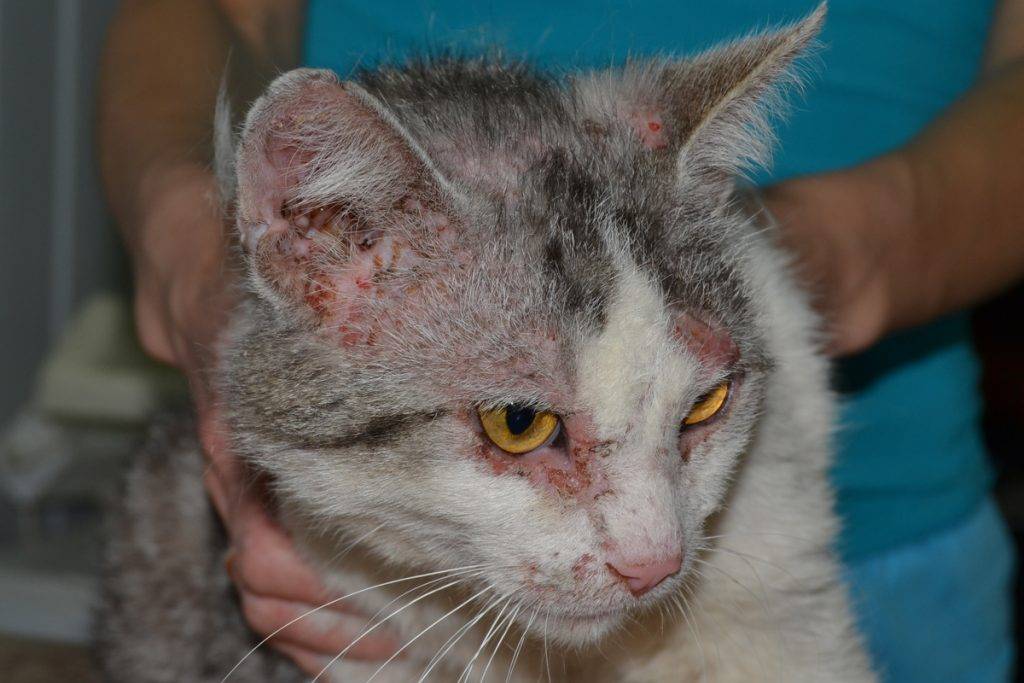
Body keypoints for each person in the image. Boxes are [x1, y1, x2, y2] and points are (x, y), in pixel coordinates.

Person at [99, 1, 1024, 679]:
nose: (654, 554)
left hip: (891, 553)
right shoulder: (365, 279)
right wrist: (188, 249)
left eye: (702, 408)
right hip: (393, 599)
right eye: (521, 424)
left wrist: (854, 246)